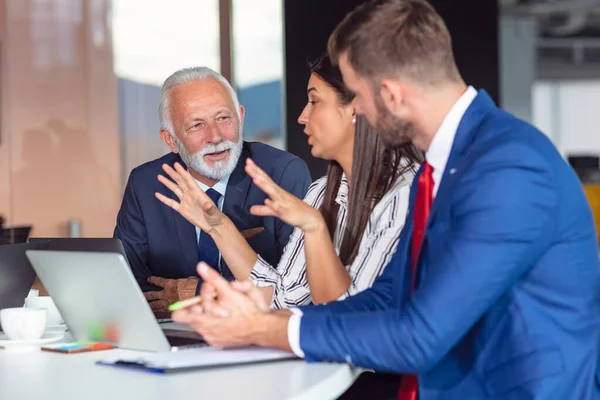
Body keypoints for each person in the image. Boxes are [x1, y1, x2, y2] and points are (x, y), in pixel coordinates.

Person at [171, 1, 600, 399]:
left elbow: (419, 336)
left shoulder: (508, 169)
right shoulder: (443, 170)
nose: (356, 110)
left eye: (356, 95)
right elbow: (384, 301)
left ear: (391, 94)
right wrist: (271, 322)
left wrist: (265, 330)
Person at [157, 55, 422, 308]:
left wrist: (316, 228)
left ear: (355, 108)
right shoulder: (322, 192)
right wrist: (217, 225)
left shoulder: (408, 195)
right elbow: (283, 300)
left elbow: (353, 317)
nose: (302, 117)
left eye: (314, 101)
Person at [114, 67, 312, 312]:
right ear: (170, 140)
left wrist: (199, 295)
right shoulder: (146, 184)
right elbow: (126, 279)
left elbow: (296, 288)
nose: (215, 136)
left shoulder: (282, 174)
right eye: (197, 125)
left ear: (240, 117)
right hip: (173, 331)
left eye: (223, 118)